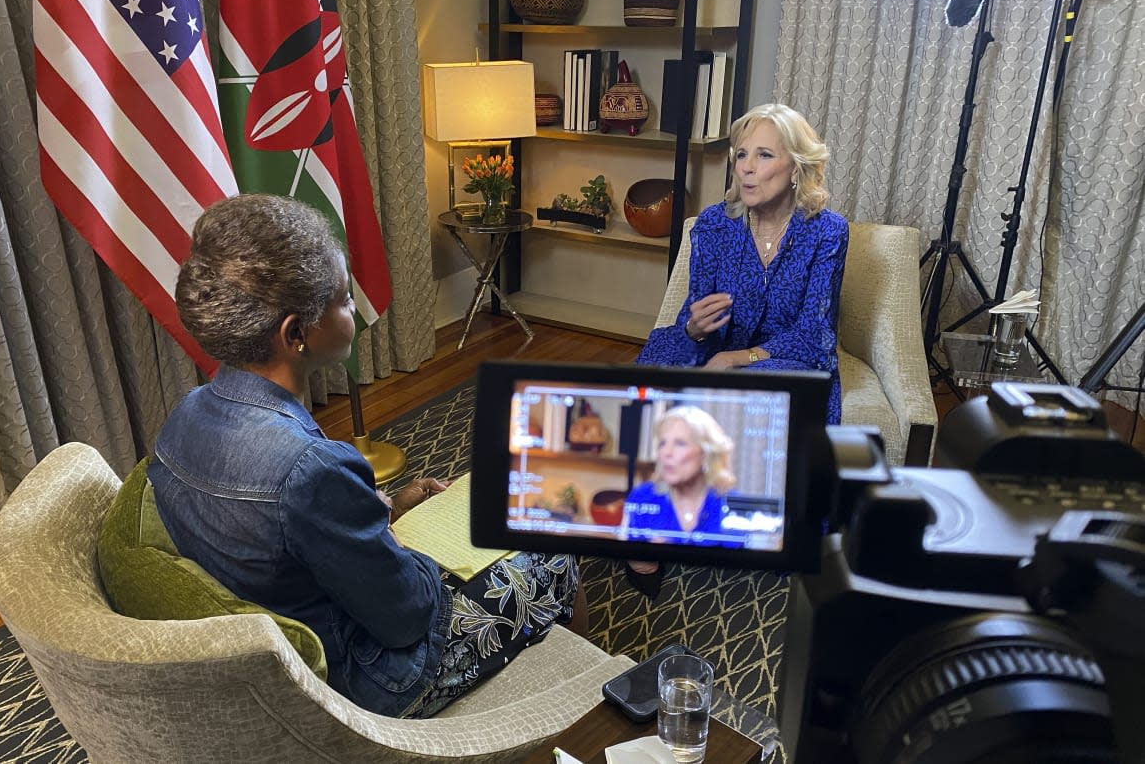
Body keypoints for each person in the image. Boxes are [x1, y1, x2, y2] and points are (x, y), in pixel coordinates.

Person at [147, 194, 579, 719]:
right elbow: (409, 615)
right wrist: (404, 539)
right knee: (552, 547)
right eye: (345, 299)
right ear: (296, 333)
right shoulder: (311, 469)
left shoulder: (182, 419)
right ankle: (577, 707)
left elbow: (282, 538)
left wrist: (383, 508)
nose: (356, 308)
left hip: (277, 636)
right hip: (358, 681)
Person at [637, 103, 849, 425]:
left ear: (795, 167)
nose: (746, 167)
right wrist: (694, 330)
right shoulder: (712, 225)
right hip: (716, 347)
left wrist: (736, 359)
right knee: (646, 376)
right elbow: (695, 311)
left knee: (749, 391)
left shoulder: (827, 231)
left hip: (784, 359)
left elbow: (813, 333)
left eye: (764, 155)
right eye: (741, 155)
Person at [622, 406, 737, 545]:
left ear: (705, 454)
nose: (667, 452)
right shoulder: (642, 498)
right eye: (662, 443)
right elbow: (625, 562)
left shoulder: (732, 507)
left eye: (680, 443)